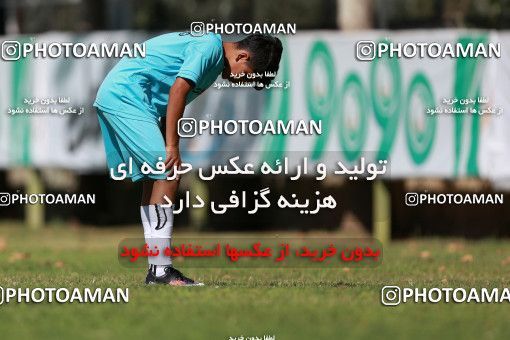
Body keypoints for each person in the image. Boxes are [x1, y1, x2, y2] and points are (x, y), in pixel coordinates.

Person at [93, 31, 283, 286]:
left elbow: (164, 89)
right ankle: (161, 271)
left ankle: (157, 270)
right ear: (242, 56)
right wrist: (172, 146)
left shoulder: (212, 57)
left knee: (156, 178)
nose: (242, 82)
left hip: (126, 96)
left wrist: (166, 139)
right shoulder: (210, 49)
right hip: (126, 96)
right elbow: (178, 90)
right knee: (169, 171)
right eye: (247, 76)